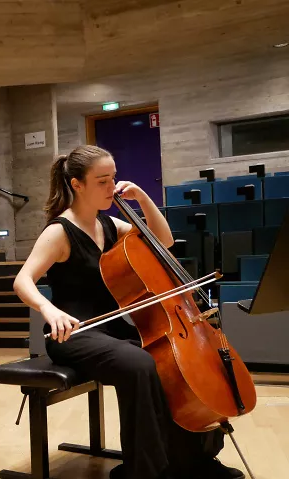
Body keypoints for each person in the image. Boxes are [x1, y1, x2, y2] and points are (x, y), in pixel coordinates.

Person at [12, 145, 244, 479]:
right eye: (102, 181)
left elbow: (162, 241)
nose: (112, 187)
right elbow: (23, 281)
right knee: (139, 364)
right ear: (77, 185)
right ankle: (144, 470)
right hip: (74, 333)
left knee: (172, 364)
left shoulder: (108, 225)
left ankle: (190, 459)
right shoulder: (59, 231)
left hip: (111, 331)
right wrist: (49, 310)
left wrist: (143, 199)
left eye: (114, 179)